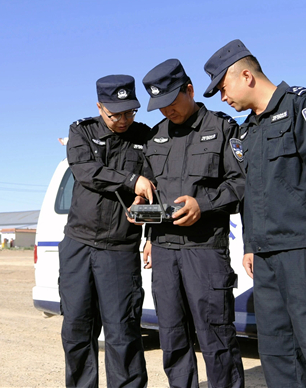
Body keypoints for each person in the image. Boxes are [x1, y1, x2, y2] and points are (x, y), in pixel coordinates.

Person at [203, 39, 306, 388]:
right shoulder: (248, 130)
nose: (223, 98)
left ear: (246, 76)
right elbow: (253, 194)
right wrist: (250, 246)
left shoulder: (305, 106)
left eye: (223, 88)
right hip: (268, 260)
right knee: (279, 358)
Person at [139, 59, 245, 388]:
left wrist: (205, 204)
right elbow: (151, 191)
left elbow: (242, 184)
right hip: (164, 251)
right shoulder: (155, 137)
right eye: (160, 106)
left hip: (205, 250)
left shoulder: (223, 128)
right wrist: (145, 222)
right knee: (172, 338)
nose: (166, 111)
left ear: (190, 90)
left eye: (172, 102)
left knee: (217, 338)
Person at [60, 74, 156, 388]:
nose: (125, 120)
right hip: (79, 245)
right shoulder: (82, 132)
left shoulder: (146, 137)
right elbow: (86, 171)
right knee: (77, 330)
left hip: (119, 249)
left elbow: (155, 183)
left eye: (130, 112)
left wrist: (142, 200)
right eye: (116, 114)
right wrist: (131, 181)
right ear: (100, 107)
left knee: (123, 331)